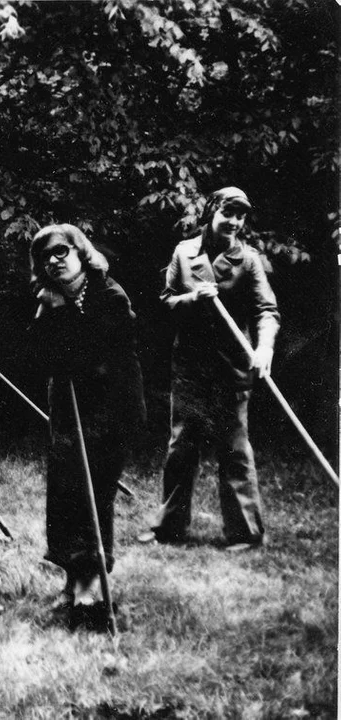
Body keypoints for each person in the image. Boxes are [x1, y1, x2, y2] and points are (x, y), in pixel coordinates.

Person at [141, 186, 279, 552]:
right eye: (228, 213)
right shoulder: (184, 253)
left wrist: (264, 347)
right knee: (181, 448)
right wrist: (192, 298)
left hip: (231, 368)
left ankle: (246, 534)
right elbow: (165, 303)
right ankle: (168, 528)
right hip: (189, 367)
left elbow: (267, 310)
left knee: (233, 448)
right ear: (211, 212)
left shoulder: (247, 260)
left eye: (240, 215)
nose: (234, 221)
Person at [28, 224, 145, 616]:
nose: (53, 261)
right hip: (68, 407)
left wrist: (62, 317)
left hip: (110, 409)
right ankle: (72, 577)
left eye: (61, 252)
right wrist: (48, 315)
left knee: (94, 493)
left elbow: (96, 360)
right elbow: (42, 360)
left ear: (81, 252)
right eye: (45, 256)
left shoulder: (109, 295)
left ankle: (91, 584)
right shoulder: (51, 298)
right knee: (65, 491)